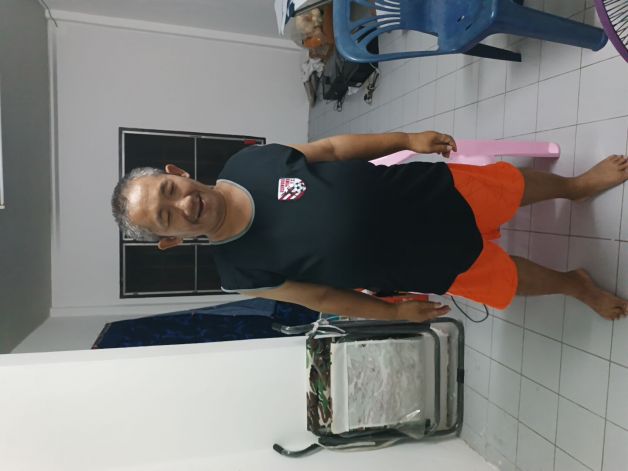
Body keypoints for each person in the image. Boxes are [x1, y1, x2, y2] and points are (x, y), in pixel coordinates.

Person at [111, 131, 628, 323]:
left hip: (423, 193)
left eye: (169, 189)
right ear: (171, 240)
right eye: (166, 216)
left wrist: (405, 139)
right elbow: (320, 297)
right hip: (412, 263)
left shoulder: (248, 163)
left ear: (177, 172)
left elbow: (332, 149)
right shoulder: (238, 272)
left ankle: (576, 186)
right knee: (505, 279)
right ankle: (574, 285)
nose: (183, 204)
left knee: (508, 186)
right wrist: (394, 313)